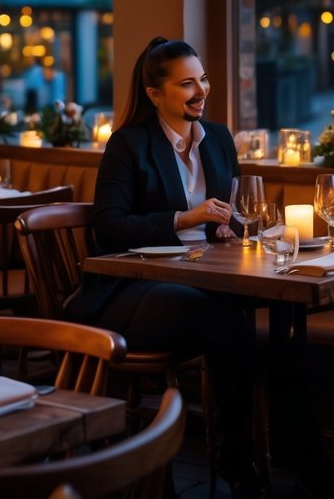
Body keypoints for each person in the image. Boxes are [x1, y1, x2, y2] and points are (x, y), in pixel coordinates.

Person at [67, 37, 260, 496]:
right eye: (187, 84)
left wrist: (228, 229)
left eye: (203, 80)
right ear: (155, 94)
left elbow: (230, 213)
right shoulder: (128, 144)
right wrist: (183, 219)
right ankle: (232, 460)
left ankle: (247, 453)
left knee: (246, 314)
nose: (201, 91)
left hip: (199, 277)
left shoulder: (218, 140)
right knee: (226, 317)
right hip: (129, 291)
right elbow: (109, 228)